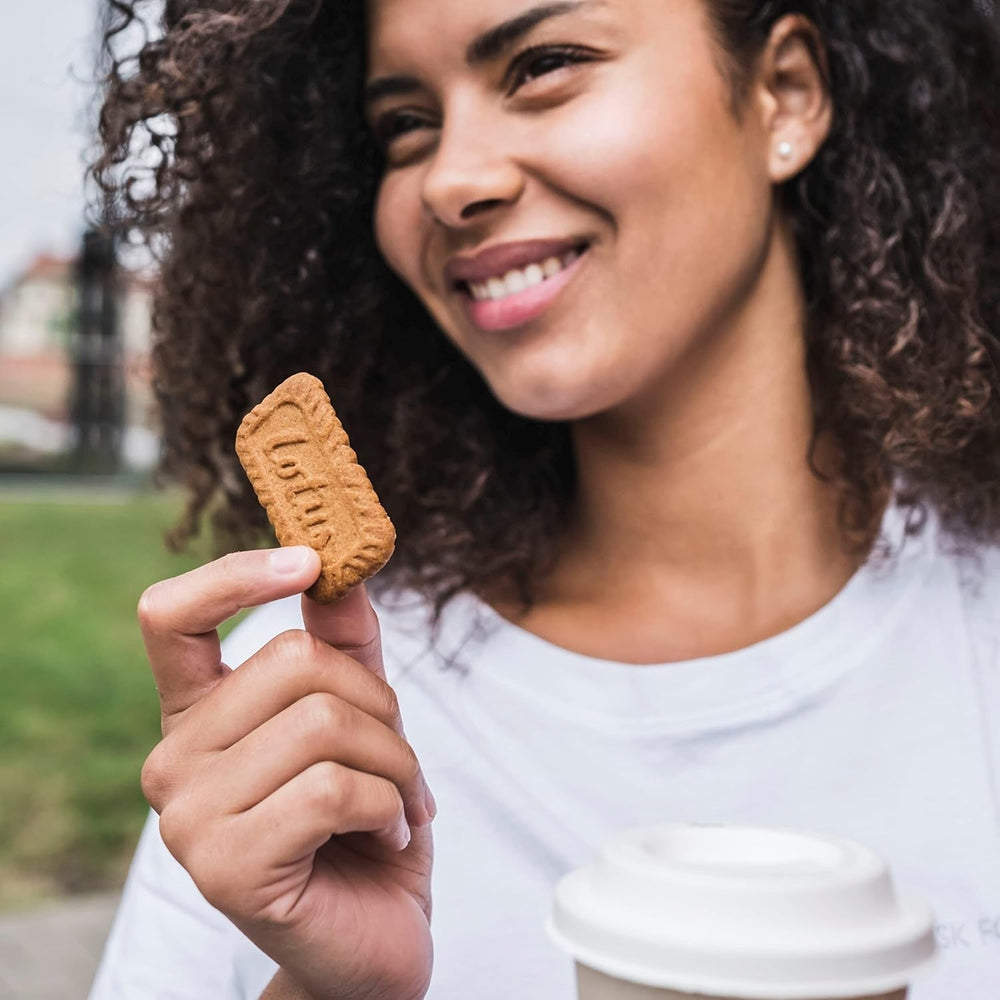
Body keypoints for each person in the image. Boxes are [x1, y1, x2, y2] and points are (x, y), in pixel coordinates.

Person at [89, 0, 1000, 997]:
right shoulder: (304, 706)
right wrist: (322, 987)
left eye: (543, 65)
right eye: (404, 125)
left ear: (783, 92)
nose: (451, 180)